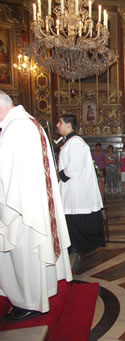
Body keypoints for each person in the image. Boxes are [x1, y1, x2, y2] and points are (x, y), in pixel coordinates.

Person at [0, 91, 72, 320]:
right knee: (32, 253)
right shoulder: (30, 123)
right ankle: (41, 291)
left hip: (21, 206)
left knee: (23, 252)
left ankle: (28, 301)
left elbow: (7, 175)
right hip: (33, 200)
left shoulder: (15, 129)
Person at [56, 114, 105, 255]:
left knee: (77, 217)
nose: (57, 125)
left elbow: (75, 168)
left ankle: (82, 246)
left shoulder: (75, 142)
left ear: (68, 124)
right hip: (73, 189)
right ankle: (76, 245)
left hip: (77, 190)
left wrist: (58, 176)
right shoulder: (71, 141)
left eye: (60, 122)